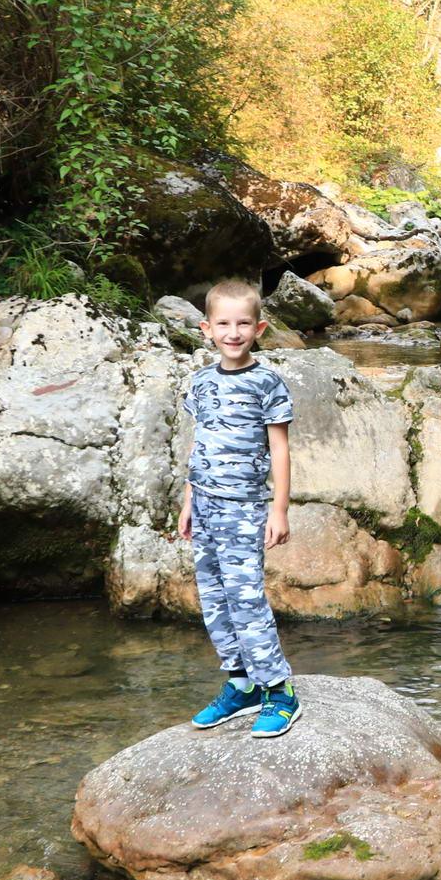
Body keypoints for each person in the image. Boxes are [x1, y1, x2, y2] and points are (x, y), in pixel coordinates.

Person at [175, 279, 301, 737]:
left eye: (243, 323)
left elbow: (280, 450)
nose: (233, 333)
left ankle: (279, 691)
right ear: (207, 329)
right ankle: (242, 683)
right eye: (224, 324)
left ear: (259, 329)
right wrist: (188, 501)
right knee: (214, 598)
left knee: (246, 599)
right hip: (205, 506)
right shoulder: (201, 382)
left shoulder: (266, 382)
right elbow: (200, 444)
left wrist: (279, 510)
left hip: (244, 509)